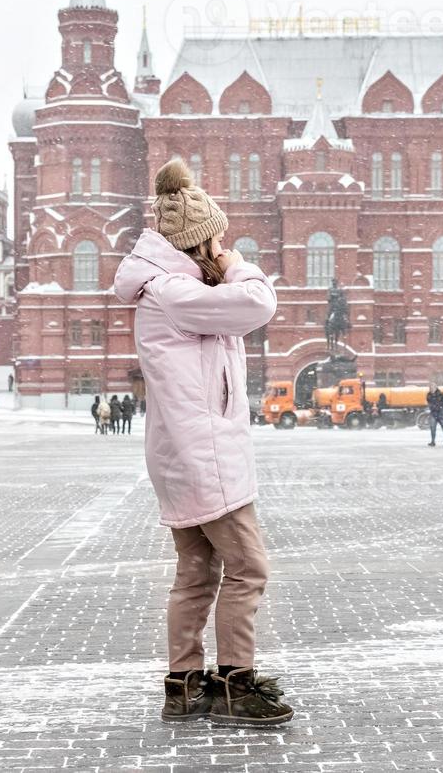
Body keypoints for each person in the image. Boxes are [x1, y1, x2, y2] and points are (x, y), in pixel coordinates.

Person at [111, 156, 290, 727]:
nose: (225, 247)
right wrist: (241, 268)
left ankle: (184, 685)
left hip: (185, 454)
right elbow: (259, 304)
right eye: (219, 239)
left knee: (196, 572)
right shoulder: (175, 293)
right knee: (248, 567)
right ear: (199, 244)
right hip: (205, 456)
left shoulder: (168, 290)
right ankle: (236, 684)